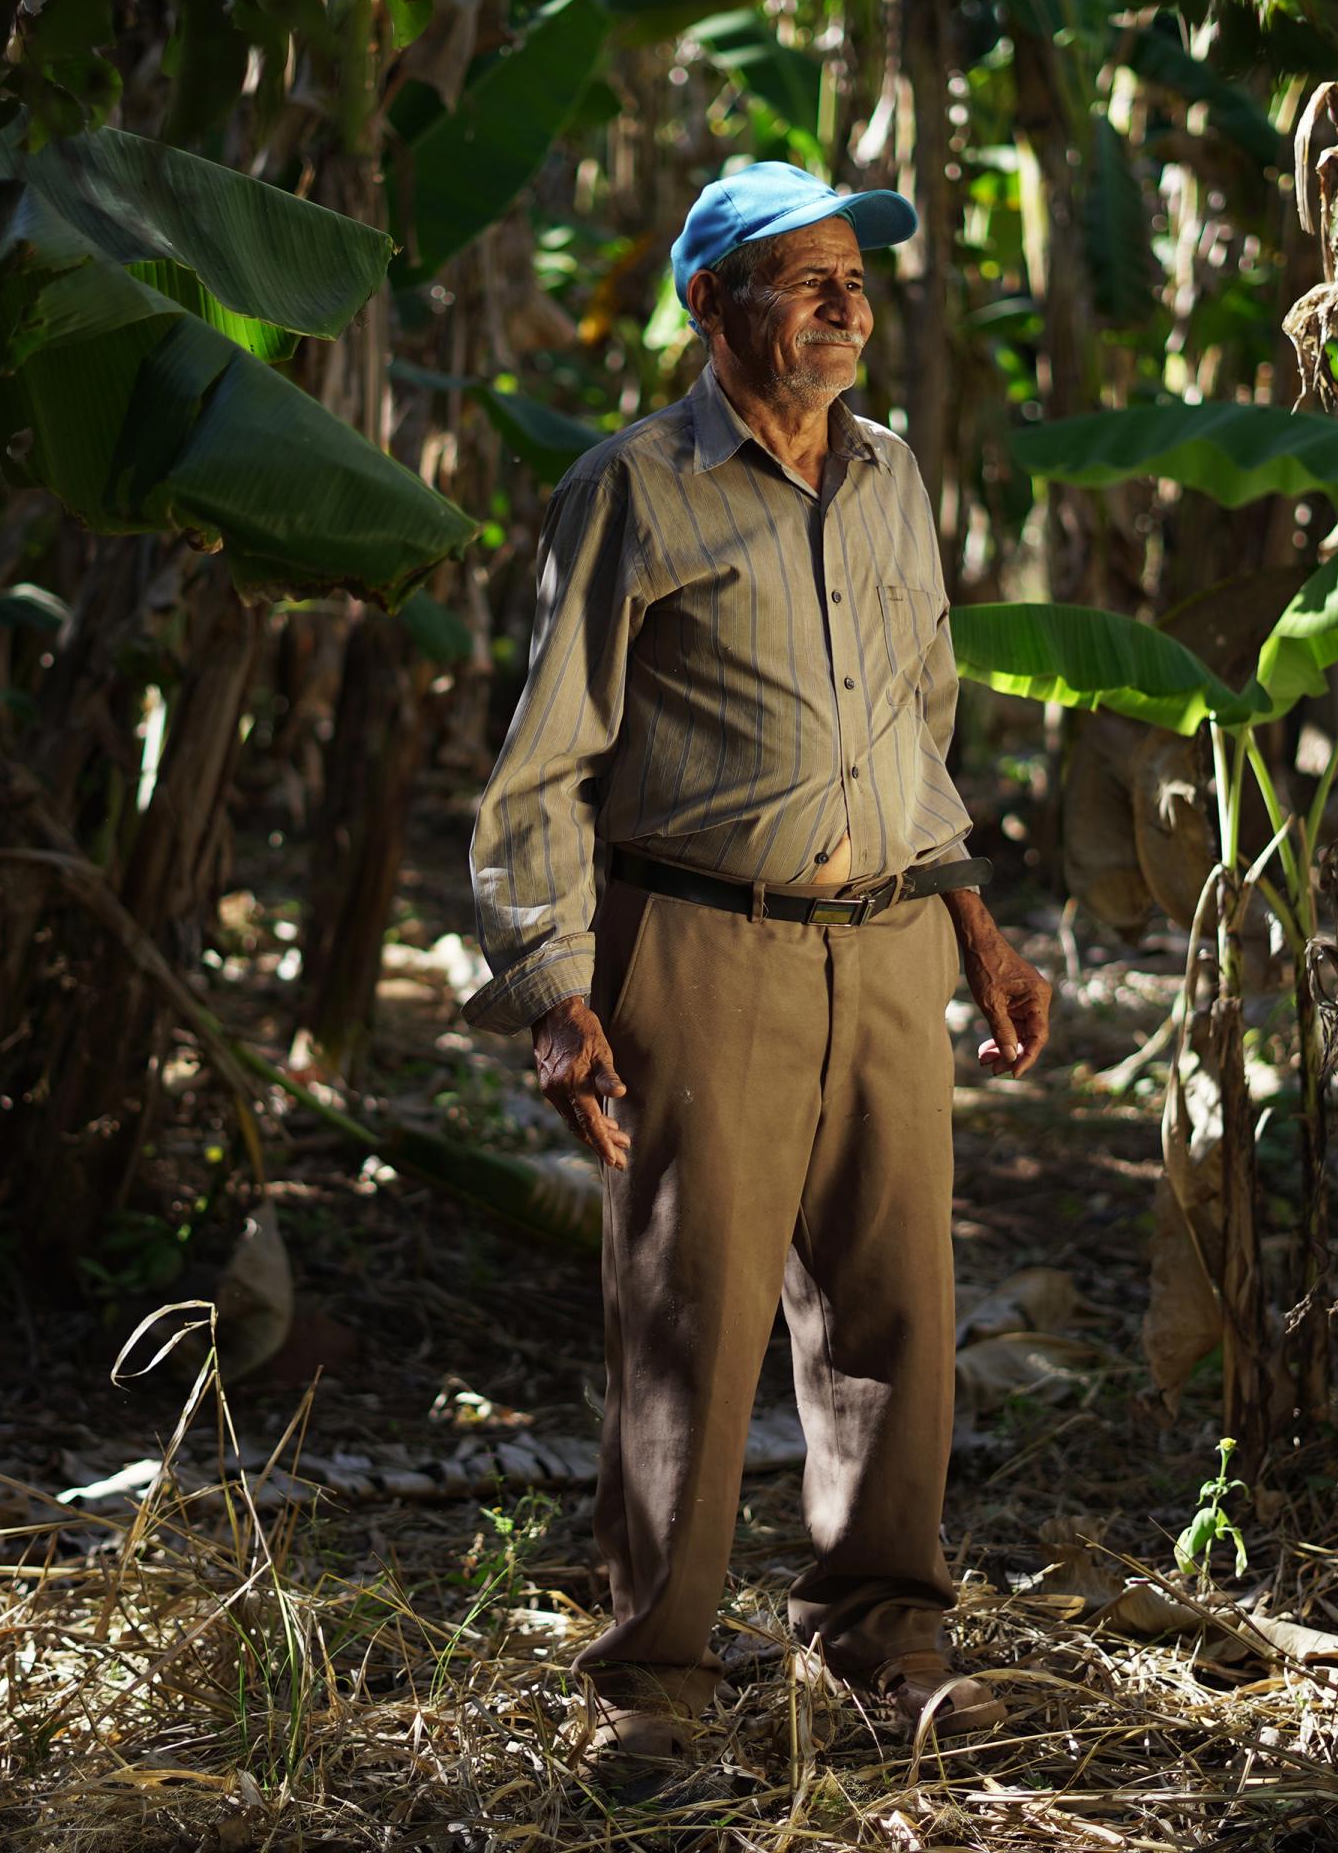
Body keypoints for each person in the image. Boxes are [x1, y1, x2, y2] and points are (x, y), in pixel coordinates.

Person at [463, 160, 1054, 1775]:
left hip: (887, 950)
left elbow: (919, 731)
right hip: (702, 945)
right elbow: (542, 766)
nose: (846, 304)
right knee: (691, 1321)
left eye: (857, 277)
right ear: (711, 305)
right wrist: (552, 986)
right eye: (806, 279)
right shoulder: (635, 490)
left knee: (894, 1310)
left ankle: (885, 1636)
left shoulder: (896, 480)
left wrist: (976, 926)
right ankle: (651, 1690)